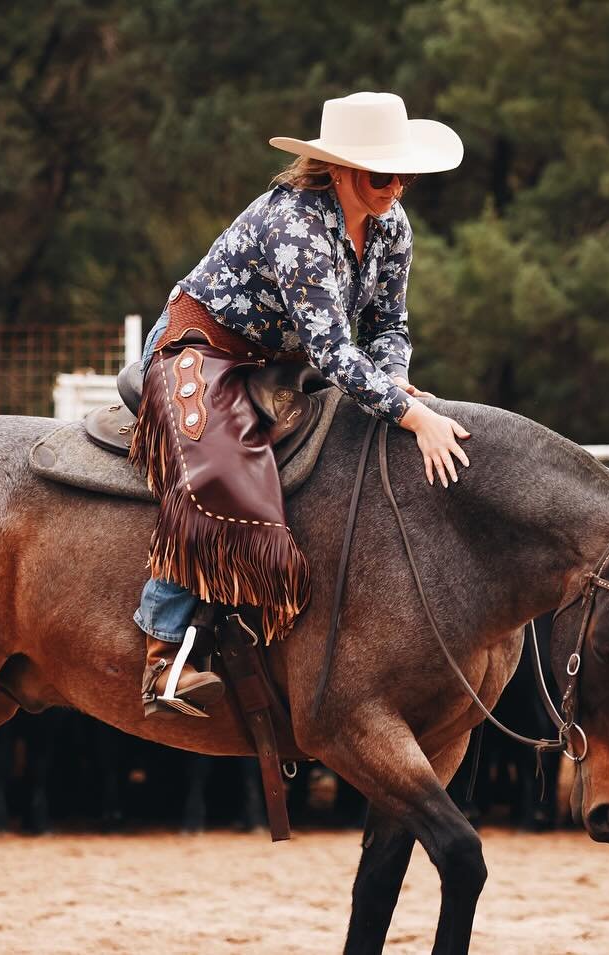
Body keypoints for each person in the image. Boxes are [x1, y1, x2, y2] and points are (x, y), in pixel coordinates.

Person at [132, 91, 472, 718]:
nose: (395, 187)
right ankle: (165, 654)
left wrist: (396, 385)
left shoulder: (392, 226)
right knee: (220, 470)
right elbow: (335, 348)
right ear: (339, 169)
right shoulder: (295, 223)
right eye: (380, 174)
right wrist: (411, 412)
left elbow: (389, 327)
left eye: (403, 174)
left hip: (283, 363)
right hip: (205, 345)